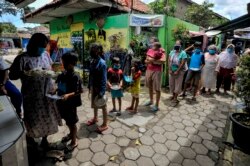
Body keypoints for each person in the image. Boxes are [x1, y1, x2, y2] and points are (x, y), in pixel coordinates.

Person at [9, 33, 61, 149]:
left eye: (44, 46)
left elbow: (50, 69)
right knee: (33, 120)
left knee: (47, 118)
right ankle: (31, 138)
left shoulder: (46, 55)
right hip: (32, 97)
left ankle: (44, 139)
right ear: (33, 45)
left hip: (47, 94)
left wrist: (56, 76)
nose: (43, 48)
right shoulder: (22, 58)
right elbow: (12, 76)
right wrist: (23, 72)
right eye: (41, 46)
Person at [55, 52, 83, 151]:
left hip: (70, 104)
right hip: (62, 103)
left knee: (72, 122)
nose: (62, 63)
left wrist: (68, 95)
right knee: (67, 121)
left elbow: (80, 91)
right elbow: (60, 85)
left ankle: (74, 141)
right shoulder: (63, 74)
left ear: (71, 64)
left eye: (64, 62)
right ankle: (71, 134)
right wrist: (55, 90)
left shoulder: (75, 76)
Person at [87, 43, 108, 132]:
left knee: (103, 105)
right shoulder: (92, 60)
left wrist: (102, 92)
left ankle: (105, 124)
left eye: (93, 50)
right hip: (93, 86)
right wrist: (89, 85)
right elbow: (91, 75)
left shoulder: (102, 63)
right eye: (91, 49)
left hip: (100, 88)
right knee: (94, 103)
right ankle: (95, 118)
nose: (91, 51)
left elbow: (104, 79)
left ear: (98, 51)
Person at [144, 39, 166, 112]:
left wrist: (151, 60)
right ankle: (151, 100)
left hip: (157, 71)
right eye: (151, 42)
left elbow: (163, 61)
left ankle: (156, 105)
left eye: (152, 42)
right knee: (150, 86)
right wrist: (154, 61)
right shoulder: (150, 50)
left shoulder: (161, 51)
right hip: (149, 70)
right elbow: (146, 60)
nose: (151, 43)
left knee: (157, 88)